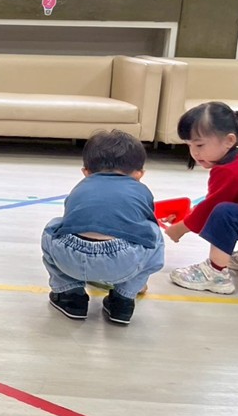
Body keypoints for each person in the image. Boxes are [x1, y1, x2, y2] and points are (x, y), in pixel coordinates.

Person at [41, 130, 164, 324]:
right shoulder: (141, 190)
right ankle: (123, 300)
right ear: (139, 174)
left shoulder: (80, 187)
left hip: (70, 258)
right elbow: (143, 231)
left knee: (53, 227)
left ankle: (70, 296)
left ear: (86, 172)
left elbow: (71, 221)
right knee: (154, 233)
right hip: (122, 262)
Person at [166, 102, 238, 294]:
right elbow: (213, 200)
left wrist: (180, 228)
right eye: (189, 146)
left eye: (200, 145)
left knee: (225, 213)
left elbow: (212, 207)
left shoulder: (229, 171)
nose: (194, 152)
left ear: (229, 141)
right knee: (233, 210)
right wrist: (191, 214)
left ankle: (215, 273)